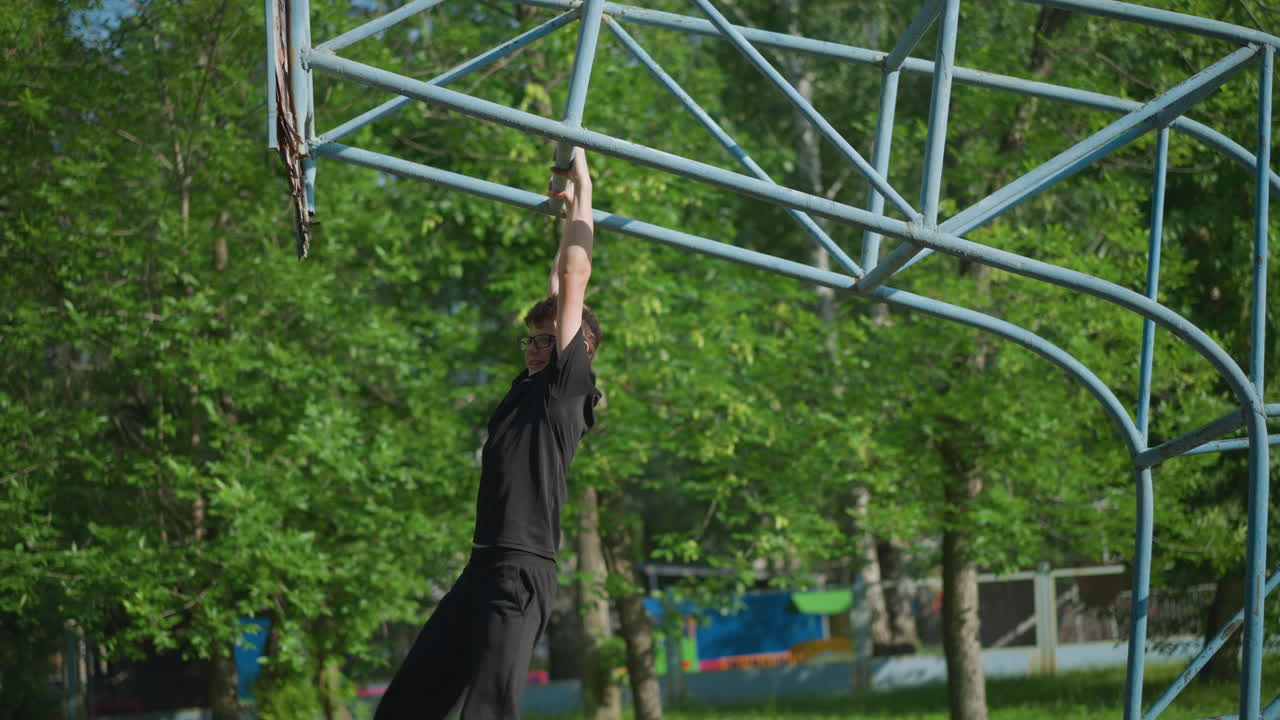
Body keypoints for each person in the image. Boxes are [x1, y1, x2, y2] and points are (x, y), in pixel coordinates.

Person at [374, 148, 601, 720]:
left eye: (545, 340)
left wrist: (586, 185)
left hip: (522, 570)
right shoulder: (528, 387)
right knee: (404, 708)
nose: (533, 347)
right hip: (481, 569)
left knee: (487, 711)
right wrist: (566, 210)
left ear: (579, 351)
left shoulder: (565, 389)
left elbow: (575, 277)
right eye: (528, 339)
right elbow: (556, 282)